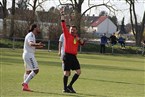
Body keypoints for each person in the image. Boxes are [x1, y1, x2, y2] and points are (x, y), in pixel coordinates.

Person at [60, 9, 85, 93]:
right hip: (67, 56)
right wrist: (62, 14)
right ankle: (65, 88)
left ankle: (70, 85)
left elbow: (82, 44)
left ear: (76, 31)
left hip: (74, 57)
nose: (72, 31)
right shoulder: (67, 35)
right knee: (66, 73)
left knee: (78, 72)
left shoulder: (76, 37)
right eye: (71, 29)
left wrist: (80, 40)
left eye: (74, 30)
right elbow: (63, 24)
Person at [22, 24, 45, 91]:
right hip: (29, 55)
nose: (39, 29)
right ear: (35, 28)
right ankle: (25, 83)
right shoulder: (31, 35)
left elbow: (31, 46)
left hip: (26, 54)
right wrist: (38, 44)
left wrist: (39, 46)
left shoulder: (32, 35)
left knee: (28, 71)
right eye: (38, 27)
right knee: (36, 70)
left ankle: (25, 87)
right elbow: (30, 44)